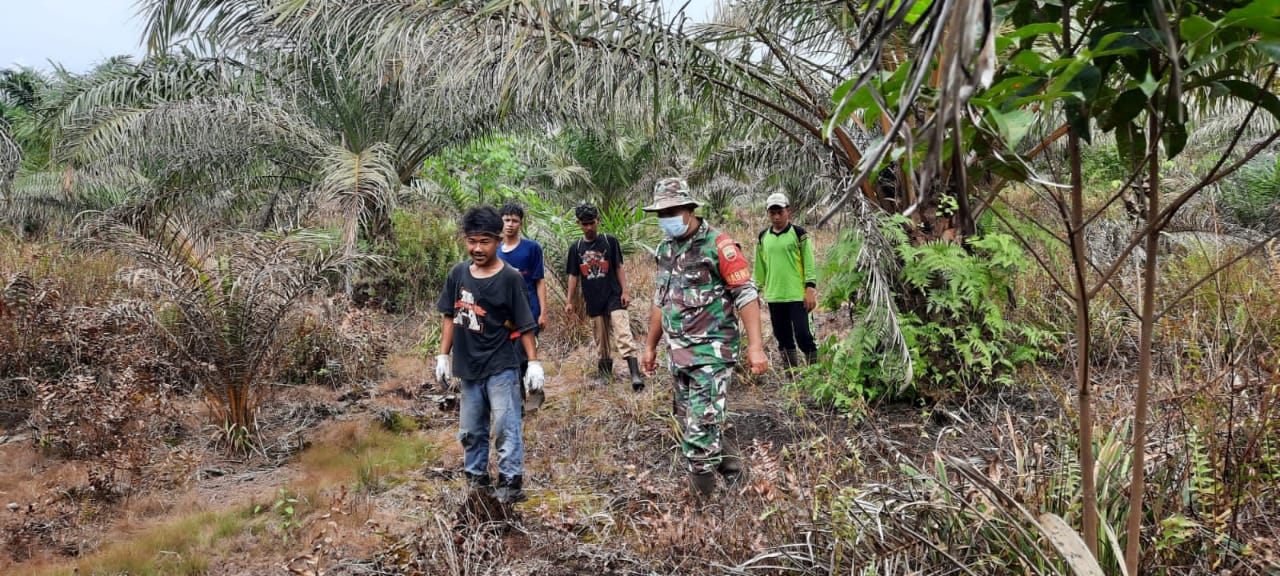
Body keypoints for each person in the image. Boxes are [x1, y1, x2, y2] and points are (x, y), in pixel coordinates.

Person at [640, 177, 769, 499]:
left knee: (698, 437)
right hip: (678, 354)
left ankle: (705, 519)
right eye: (660, 212)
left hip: (711, 354)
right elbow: (661, 299)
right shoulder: (665, 249)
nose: (665, 218)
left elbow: (745, 294)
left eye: (671, 210)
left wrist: (756, 347)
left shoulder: (719, 245)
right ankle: (737, 474)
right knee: (693, 422)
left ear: (689, 208)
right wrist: (650, 345)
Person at [435, 206, 544, 504]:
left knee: (506, 427)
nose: (477, 248)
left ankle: (511, 482)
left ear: (497, 241)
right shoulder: (458, 274)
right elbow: (449, 315)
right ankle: (476, 480)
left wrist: (533, 362)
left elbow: (524, 324)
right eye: (472, 241)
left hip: (501, 366)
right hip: (468, 367)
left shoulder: (510, 278)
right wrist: (443, 356)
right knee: (471, 430)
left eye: (484, 241)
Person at [564, 204, 645, 391]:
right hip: (593, 298)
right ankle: (605, 375)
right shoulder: (575, 248)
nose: (589, 228)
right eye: (584, 224)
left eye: (591, 223)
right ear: (578, 224)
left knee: (623, 333)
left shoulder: (609, 241)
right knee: (601, 339)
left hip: (613, 295)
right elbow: (573, 276)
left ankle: (635, 374)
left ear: (598, 221)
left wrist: (625, 291)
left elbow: (618, 267)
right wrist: (570, 301)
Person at [754, 192, 819, 368]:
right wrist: (755, 290)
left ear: (788, 211)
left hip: (797, 295)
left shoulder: (799, 234)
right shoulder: (763, 237)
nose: (775, 217)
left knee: (803, 335)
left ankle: (813, 373)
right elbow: (760, 267)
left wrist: (810, 288)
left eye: (779, 212)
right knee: (782, 337)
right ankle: (792, 375)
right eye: (772, 213)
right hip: (775, 296)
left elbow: (809, 262)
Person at [497, 202, 548, 409]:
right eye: (506, 220)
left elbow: (539, 281)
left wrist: (543, 312)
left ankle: (526, 397)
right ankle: (527, 394)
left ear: (521, 223)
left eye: (514, 221)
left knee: (521, 354)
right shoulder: (495, 250)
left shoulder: (532, 248)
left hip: (529, 310)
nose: (510, 224)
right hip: (504, 314)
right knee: (510, 356)